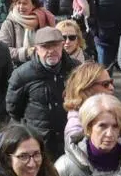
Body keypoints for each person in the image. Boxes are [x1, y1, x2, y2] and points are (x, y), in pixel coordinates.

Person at [7, 26, 80, 158]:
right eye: (46, 47)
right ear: (37, 49)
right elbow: (14, 110)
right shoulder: (22, 75)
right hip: (40, 143)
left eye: (56, 46)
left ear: (62, 45)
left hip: (71, 138)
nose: (51, 51)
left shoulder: (76, 69)